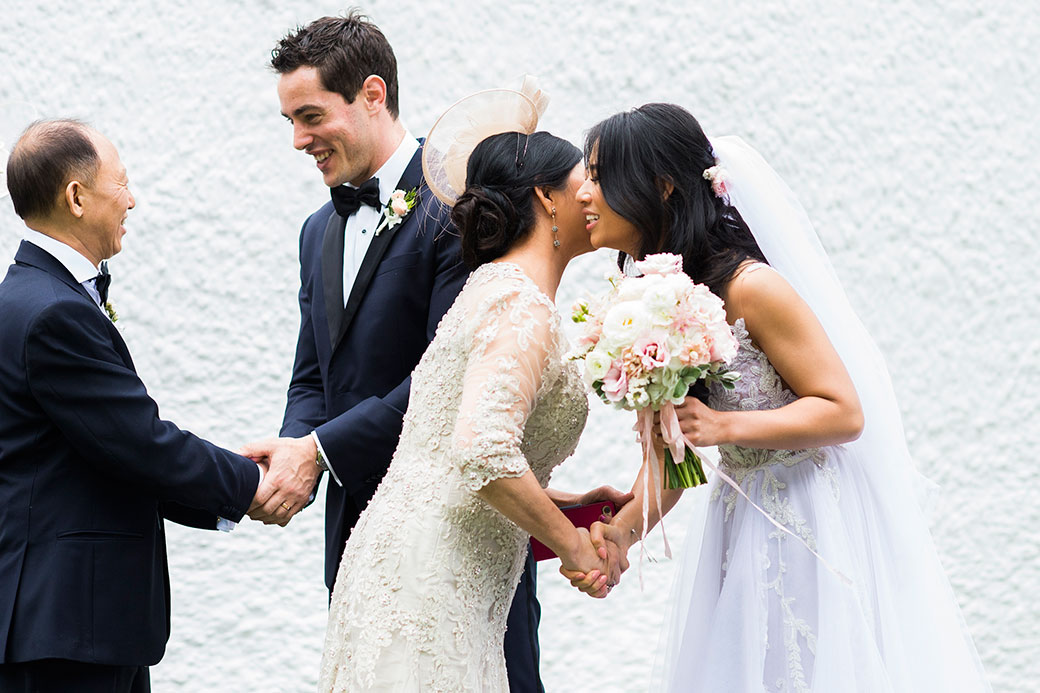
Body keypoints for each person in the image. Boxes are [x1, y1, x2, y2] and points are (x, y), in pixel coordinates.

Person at [241, 14, 615, 691]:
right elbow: (312, 377)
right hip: (372, 539)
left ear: (373, 94)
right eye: (289, 120)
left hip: (467, 551)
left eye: (310, 115)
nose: (298, 139)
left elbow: (447, 391)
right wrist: (295, 450)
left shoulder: (462, 206)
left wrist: (319, 450)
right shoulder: (316, 232)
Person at [565, 103, 991, 691]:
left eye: (597, 174)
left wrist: (725, 428)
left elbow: (843, 410)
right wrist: (619, 537)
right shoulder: (652, 301)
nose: (582, 192)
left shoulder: (753, 288)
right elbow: (671, 458)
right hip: (739, 521)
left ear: (661, 186)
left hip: (808, 515)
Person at [0, 120, 266, 693]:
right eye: (122, 184)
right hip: (67, 631)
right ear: (76, 197)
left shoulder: (28, 297)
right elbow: (138, 442)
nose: (132, 200)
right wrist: (252, 484)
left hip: (67, 626)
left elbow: (106, 452)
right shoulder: (54, 315)